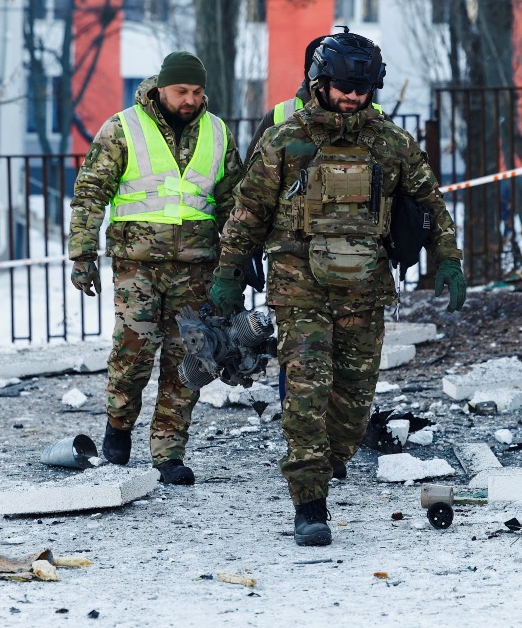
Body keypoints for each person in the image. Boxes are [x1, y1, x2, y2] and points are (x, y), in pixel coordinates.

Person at [208, 32, 467, 545]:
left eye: (363, 89)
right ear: (320, 83)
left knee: (351, 403)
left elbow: (430, 202)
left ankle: (330, 462)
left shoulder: (389, 142)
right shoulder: (286, 139)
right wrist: (228, 276)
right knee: (306, 394)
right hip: (298, 284)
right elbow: (247, 212)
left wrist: (448, 258)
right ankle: (309, 504)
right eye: (344, 88)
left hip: (364, 287)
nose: (353, 98)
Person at [67, 51, 244, 486]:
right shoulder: (122, 128)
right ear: (161, 87)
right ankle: (119, 423)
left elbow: (235, 202)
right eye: (182, 91)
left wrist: (238, 260)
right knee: (133, 351)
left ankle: (169, 451)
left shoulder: (218, 132)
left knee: (189, 358)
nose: (190, 99)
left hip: (198, 266)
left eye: (198, 91)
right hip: (137, 264)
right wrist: (82, 254)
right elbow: (90, 192)